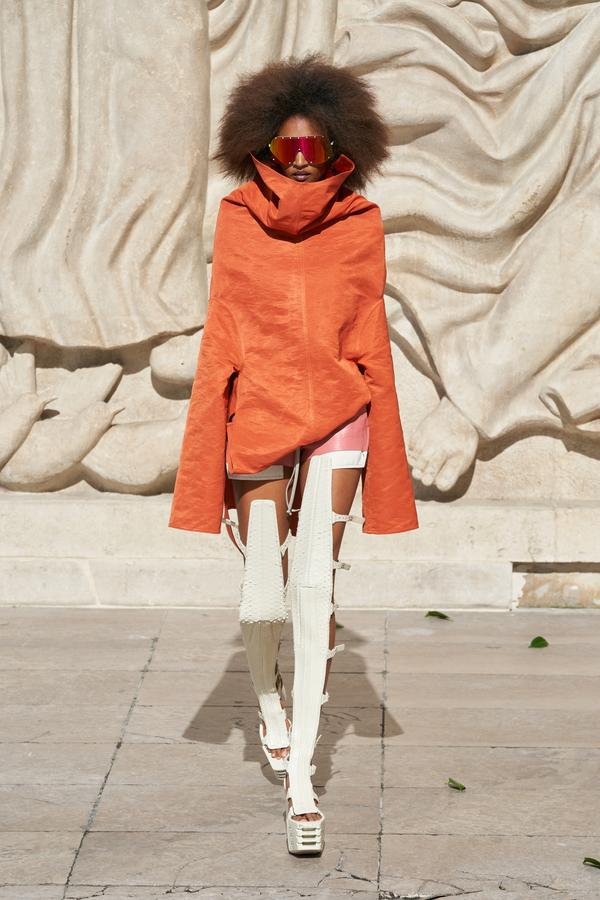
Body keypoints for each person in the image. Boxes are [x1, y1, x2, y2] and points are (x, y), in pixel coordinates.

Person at [168, 52, 419, 855]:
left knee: (313, 584)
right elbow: (222, 333)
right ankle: (271, 711)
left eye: (316, 146)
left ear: (343, 146)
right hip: (260, 408)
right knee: (260, 600)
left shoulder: (360, 222)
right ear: (262, 146)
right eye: (288, 146)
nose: (302, 161)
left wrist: (384, 433)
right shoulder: (237, 216)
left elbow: (369, 331)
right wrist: (212, 434)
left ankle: (304, 786)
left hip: (340, 410)